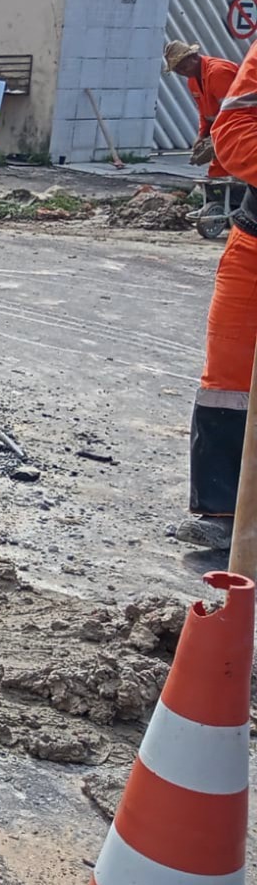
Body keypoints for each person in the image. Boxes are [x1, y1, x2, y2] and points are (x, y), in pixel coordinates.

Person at [182, 39, 257, 548]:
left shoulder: (219, 68)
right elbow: (234, 132)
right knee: (228, 376)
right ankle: (222, 509)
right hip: (254, 242)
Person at [165, 39, 239, 177]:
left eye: (183, 67)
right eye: (177, 70)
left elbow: (233, 111)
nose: (182, 72)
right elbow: (206, 113)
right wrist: (202, 135)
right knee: (219, 171)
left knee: (237, 165)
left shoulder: (218, 72)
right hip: (226, 129)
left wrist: (214, 138)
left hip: (242, 126)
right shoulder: (193, 80)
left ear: (193, 57)